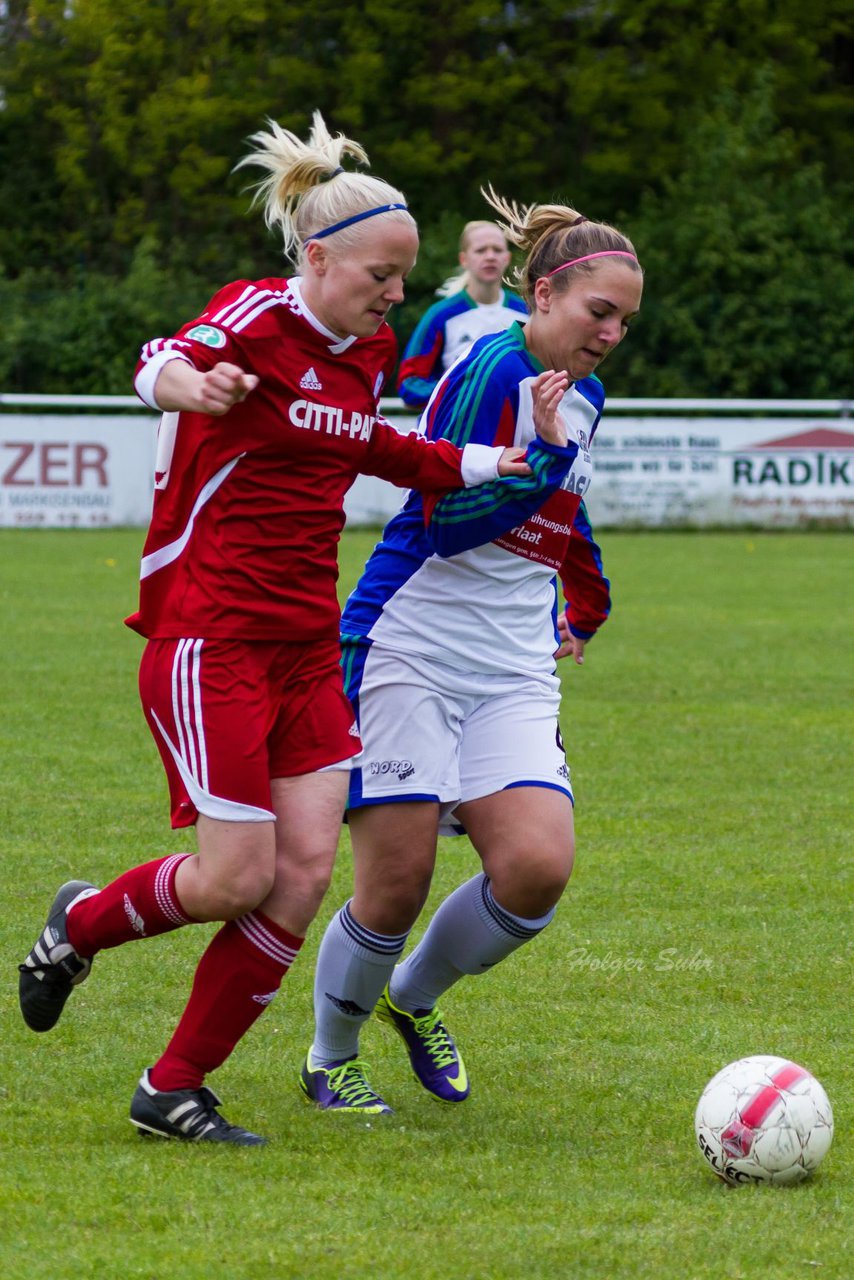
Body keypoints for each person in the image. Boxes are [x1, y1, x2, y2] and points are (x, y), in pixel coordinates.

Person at [17, 116, 531, 1146]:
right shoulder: (250, 318)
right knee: (234, 877)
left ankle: (173, 1084)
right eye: (381, 275)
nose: (394, 295)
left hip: (306, 642)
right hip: (211, 636)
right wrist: (191, 387)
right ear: (317, 256)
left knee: (299, 874)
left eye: (402, 278)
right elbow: (158, 358)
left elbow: (363, 442)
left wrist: (476, 465)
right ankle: (76, 924)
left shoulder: (373, 348)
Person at [301, 186, 643, 1113]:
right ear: (542, 296)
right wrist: (540, 459)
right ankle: (331, 1055)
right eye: (597, 312)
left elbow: (565, 515)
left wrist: (588, 602)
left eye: (624, 321)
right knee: (398, 879)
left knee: (537, 869)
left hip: (512, 664)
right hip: (409, 641)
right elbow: (448, 523)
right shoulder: (489, 369)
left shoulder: (589, 395)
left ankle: (413, 999)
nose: (610, 334)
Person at [396, 220, 528, 410]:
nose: (490, 256)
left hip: (514, 433)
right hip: (453, 433)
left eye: (497, 250)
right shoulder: (440, 315)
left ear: (507, 258)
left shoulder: (526, 312)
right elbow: (410, 383)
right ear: (463, 259)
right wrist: (460, 391)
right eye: (481, 250)